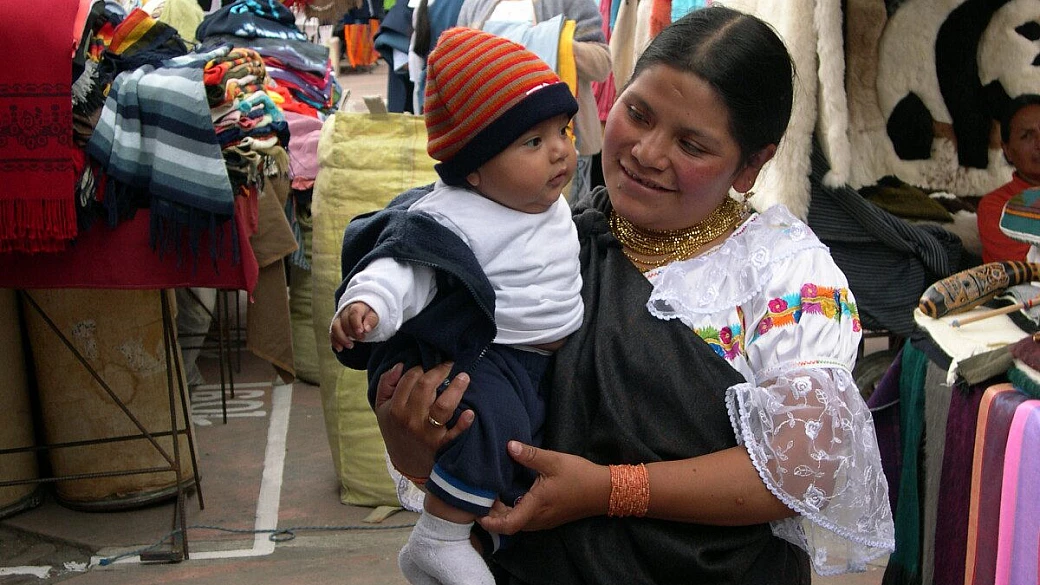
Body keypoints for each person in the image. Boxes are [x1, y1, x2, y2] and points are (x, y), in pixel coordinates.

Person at [372, 6, 896, 584]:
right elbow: (485, 417)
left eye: (692, 145)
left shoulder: (786, 279)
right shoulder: (538, 245)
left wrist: (609, 490)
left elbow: (802, 470)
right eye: (639, 113)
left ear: (751, 166)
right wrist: (418, 447)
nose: (647, 152)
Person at [329, 28, 584, 585]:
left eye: (561, 130)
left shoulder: (545, 200)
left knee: (525, 443)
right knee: (490, 422)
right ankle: (439, 539)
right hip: (487, 355)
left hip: (537, 357)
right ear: (473, 170)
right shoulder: (456, 218)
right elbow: (403, 262)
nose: (560, 150)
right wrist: (369, 304)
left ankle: (477, 532)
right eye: (532, 143)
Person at [455, 0, 609, 199]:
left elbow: (602, 64)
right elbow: (458, 62)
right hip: (496, 143)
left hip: (564, 138)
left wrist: (555, 43)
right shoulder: (475, 3)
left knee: (565, 219)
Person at [977, 94, 1040, 263]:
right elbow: (1029, 267)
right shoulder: (996, 207)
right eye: (1027, 135)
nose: (1039, 142)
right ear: (1008, 151)